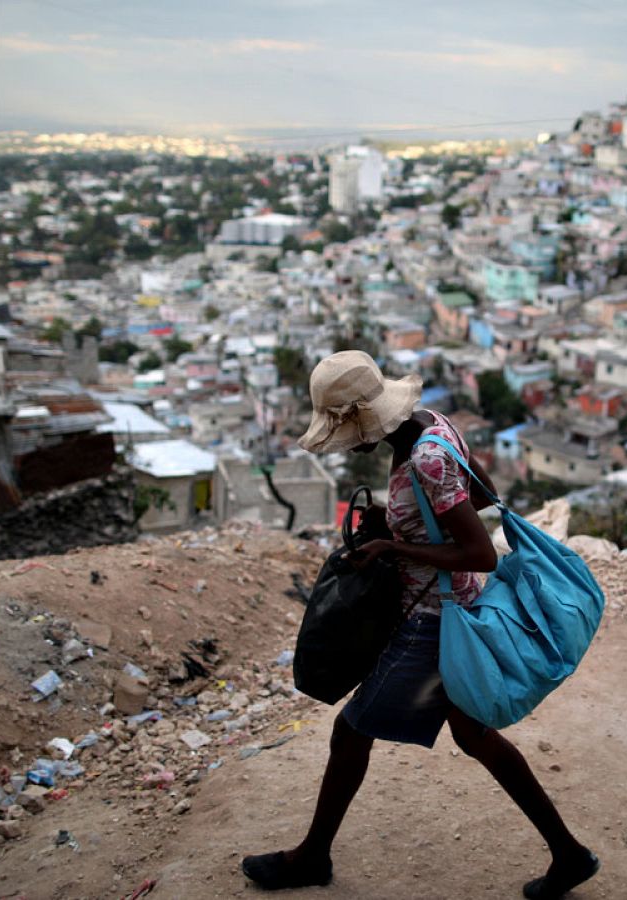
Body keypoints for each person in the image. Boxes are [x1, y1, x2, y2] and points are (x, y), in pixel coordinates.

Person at [242, 351, 599, 898]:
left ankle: (312, 857)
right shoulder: (431, 426)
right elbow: (475, 491)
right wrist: (406, 520)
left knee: (351, 730)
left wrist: (393, 543)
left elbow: (480, 553)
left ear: (363, 417)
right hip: (451, 607)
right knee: (475, 735)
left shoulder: (425, 458)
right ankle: (569, 854)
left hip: (435, 620)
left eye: (343, 428)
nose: (346, 443)